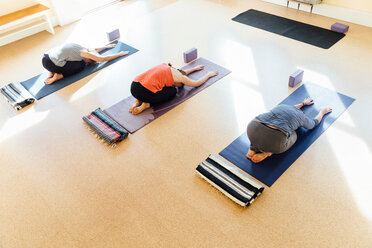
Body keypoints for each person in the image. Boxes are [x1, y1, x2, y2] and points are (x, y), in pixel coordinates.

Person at [246, 97, 332, 163]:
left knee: (261, 132)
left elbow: (293, 107)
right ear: (303, 113)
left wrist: (303, 103)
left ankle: (252, 148)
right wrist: (322, 112)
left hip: (252, 128)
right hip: (275, 142)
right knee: (295, 133)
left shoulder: (282, 106)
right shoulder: (301, 117)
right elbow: (313, 123)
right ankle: (267, 153)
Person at [129, 63, 218, 115]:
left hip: (134, 86)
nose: (175, 85)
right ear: (180, 82)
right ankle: (146, 104)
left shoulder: (167, 67)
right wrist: (208, 75)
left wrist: (194, 68)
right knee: (172, 92)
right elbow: (196, 83)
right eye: (178, 85)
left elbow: (182, 72)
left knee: (154, 84)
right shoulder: (181, 78)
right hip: (145, 92)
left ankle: (137, 101)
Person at [42, 43, 129, 84]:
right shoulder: (84, 54)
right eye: (90, 60)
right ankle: (58, 75)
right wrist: (120, 54)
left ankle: (52, 72)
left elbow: (94, 49)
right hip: (51, 64)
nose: (88, 62)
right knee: (80, 65)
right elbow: (103, 59)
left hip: (45, 58)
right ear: (90, 57)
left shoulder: (82, 48)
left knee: (69, 58)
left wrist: (106, 47)